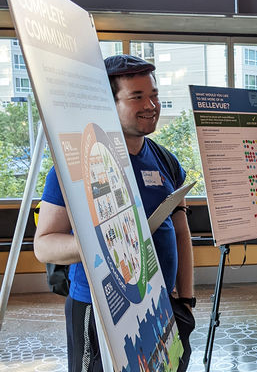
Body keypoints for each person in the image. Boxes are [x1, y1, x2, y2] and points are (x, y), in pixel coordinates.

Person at [33, 55, 195, 372]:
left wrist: (185, 301)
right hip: (102, 309)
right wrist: (102, 242)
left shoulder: (165, 160)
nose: (151, 105)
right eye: (137, 97)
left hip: (161, 308)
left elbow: (179, 232)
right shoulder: (76, 165)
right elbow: (45, 245)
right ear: (109, 103)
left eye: (154, 95)